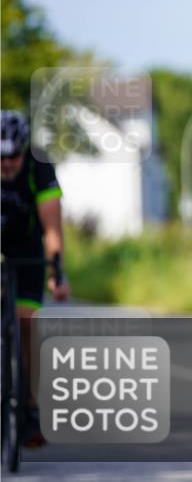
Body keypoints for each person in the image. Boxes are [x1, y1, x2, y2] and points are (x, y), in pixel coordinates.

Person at [1, 110, 70, 447]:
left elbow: (52, 229)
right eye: (0, 158)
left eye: (13, 156)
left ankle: (29, 405)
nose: (6, 164)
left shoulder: (39, 169)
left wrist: (57, 272)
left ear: (24, 150)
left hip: (28, 251)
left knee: (28, 322)